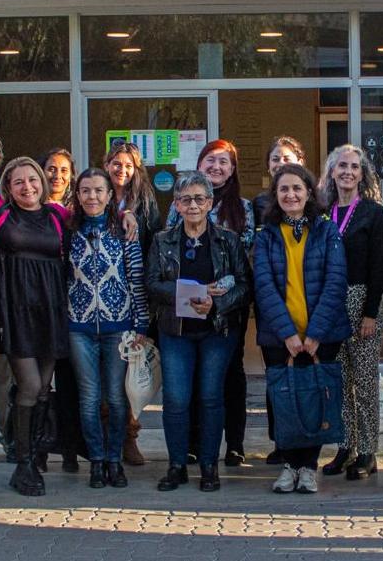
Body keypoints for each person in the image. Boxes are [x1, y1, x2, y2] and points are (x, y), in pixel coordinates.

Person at [147, 171, 252, 491]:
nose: (193, 205)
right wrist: (188, 294)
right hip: (176, 331)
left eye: (199, 199)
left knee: (210, 397)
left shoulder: (228, 240)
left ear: (210, 203)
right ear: (176, 205)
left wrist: (216, 306)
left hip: (217, 331)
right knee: (177, 399)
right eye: (185, 199)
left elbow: (245, 286)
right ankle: (177, 464)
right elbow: (151, 283)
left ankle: (209, 465)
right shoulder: (162, 240)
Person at [252, 164, 349, 494]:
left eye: (297, 188)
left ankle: (309, 467)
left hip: (322, 334)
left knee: (316, 397)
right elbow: (263, 286)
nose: (290, 194)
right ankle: (289, 466)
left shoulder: (327, 231)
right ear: (275, 196)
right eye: (283, 189)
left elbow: (336, 283)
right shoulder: (265, 236)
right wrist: (289, 335)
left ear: (310, 192)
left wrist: (315, 334)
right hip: (280, 336)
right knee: (286, 401)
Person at [0, 156, 70, 496]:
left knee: (45, 388)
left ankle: (35, 457)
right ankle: (21, 461)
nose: (28, 187)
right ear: (7, 187)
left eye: (32, 179)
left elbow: (101, 211)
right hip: (17, 312)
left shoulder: (57, 215)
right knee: (30, 386)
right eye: (18, 181)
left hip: (50, 310)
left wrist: (125, 216)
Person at [169, 139, 256, 466]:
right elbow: (171, 243)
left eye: (224, 162)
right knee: (192, 377)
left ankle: (234, 444)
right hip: (188, 302)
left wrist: (215, 292)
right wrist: (196, 292)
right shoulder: (180, 199)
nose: (217, 167)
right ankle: (192, 444)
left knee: (230, 375)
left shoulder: (243, 207)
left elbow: (244, 255)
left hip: (226, 304)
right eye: (211, 161)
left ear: (232, 170)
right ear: (200, 164)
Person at [68, 168, 150, 489]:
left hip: (120, 326)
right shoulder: (69, 232)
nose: (92, 197)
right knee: (89, 397)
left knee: (116, 398)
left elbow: (137, 277)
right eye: (86, 191)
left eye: (99, 191)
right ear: (78, 195)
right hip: (79, 327)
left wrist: (141, 322)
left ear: (108, 195)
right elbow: (63, 278)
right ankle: (97, 461)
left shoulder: (125, 231)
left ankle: (115, 459)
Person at [318, 144, 383, 480]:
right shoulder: (324, 212)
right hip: (332, 303)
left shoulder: (373, 213)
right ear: (332, 172)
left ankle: (368, 452)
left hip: (363, 302)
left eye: (354, 167)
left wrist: (371, 314)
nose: (347, 172)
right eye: (341, 166)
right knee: (340, 381)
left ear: (362, 174)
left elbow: (379, 266)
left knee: (364, 382)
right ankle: (345, 447)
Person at [104, 140, 160, 467]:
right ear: (107, 163)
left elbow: (152, 245)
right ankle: (107, 440)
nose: (121, 170)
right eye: (116, 163)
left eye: (128, 165)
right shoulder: (96, 192)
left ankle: (129, 437)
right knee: (107, 376)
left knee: (130, 374)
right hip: (103, 298)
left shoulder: (146, 202)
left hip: (134, 297)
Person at [254, 135, 306, 464]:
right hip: (272, 309)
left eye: (287, 157)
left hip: (305, 306)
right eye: (275, 159)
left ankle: (304, 445)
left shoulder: (315, 207)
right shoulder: (259, 205)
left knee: (304, 379)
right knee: (277, 379)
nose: (280, 164)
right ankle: (280, 443)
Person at [39, 147, 84, 472]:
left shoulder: (77, 211)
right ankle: (36, 448)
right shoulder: (27, 207)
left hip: (70, 307)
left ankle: (70, 450)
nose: (57, 176)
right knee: (38, 384)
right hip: (38, 305)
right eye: (52, 169)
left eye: (64, 170)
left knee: (70, 384)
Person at [253, 135, 305, 224]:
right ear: (268, 165)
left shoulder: (313, 199)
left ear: (300, 163)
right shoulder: (260, 202)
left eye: (286, 159)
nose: (281, 163)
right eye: (275, 159)